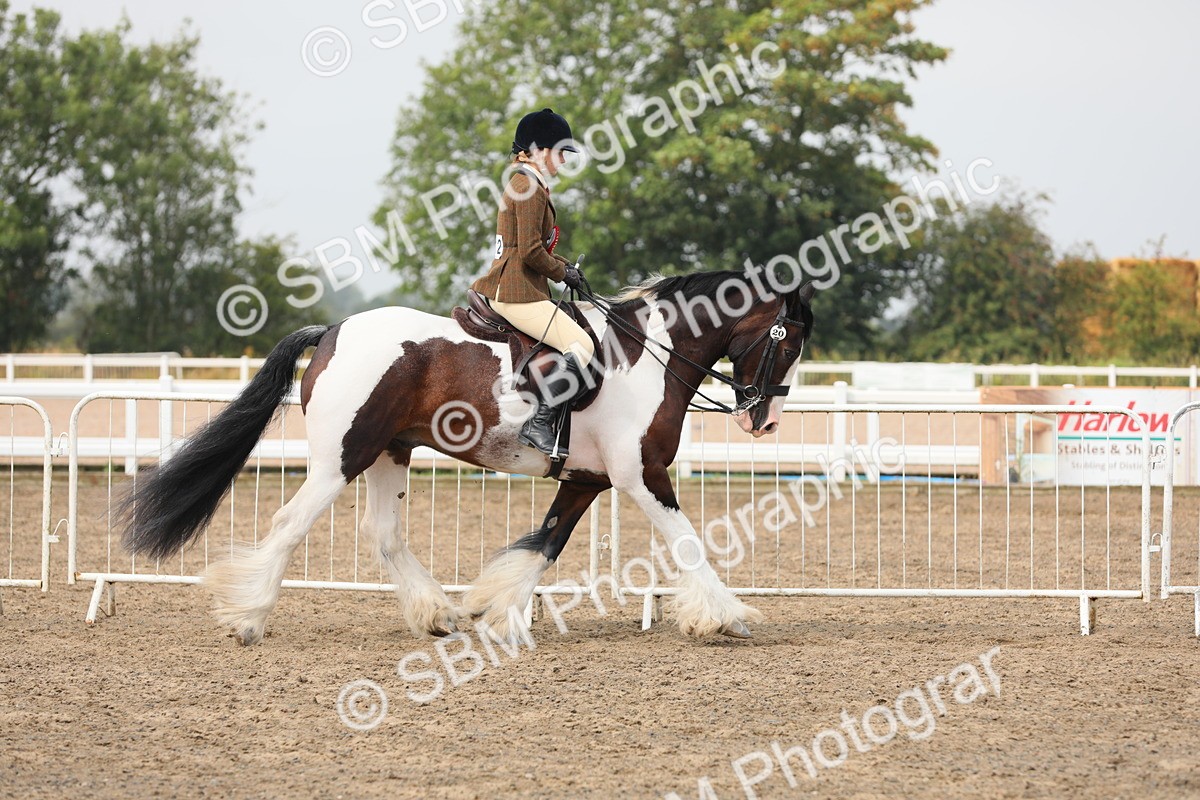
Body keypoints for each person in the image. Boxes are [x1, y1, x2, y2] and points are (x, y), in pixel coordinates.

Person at [470, 108, 594, 459]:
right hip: (516, 291)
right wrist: (561, 272)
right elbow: (528, 252)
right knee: (581, 346)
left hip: (521, 286)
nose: (564, 161)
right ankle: (538, 424)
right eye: (560, 152)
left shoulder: (525, 181)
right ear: (539, 150)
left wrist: (565, 267)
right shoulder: (527, 185)